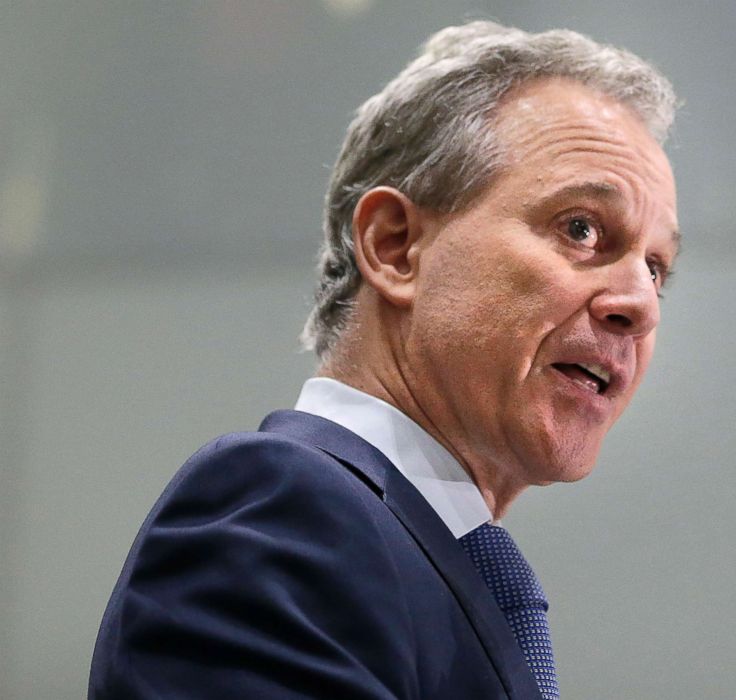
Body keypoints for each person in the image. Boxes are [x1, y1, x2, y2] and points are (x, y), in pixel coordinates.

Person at [89, 20, 680, 700]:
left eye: (657, 267)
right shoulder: (283, 510)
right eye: (581, 228)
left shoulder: (432, 555)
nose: (641, 303)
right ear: (396, 247)